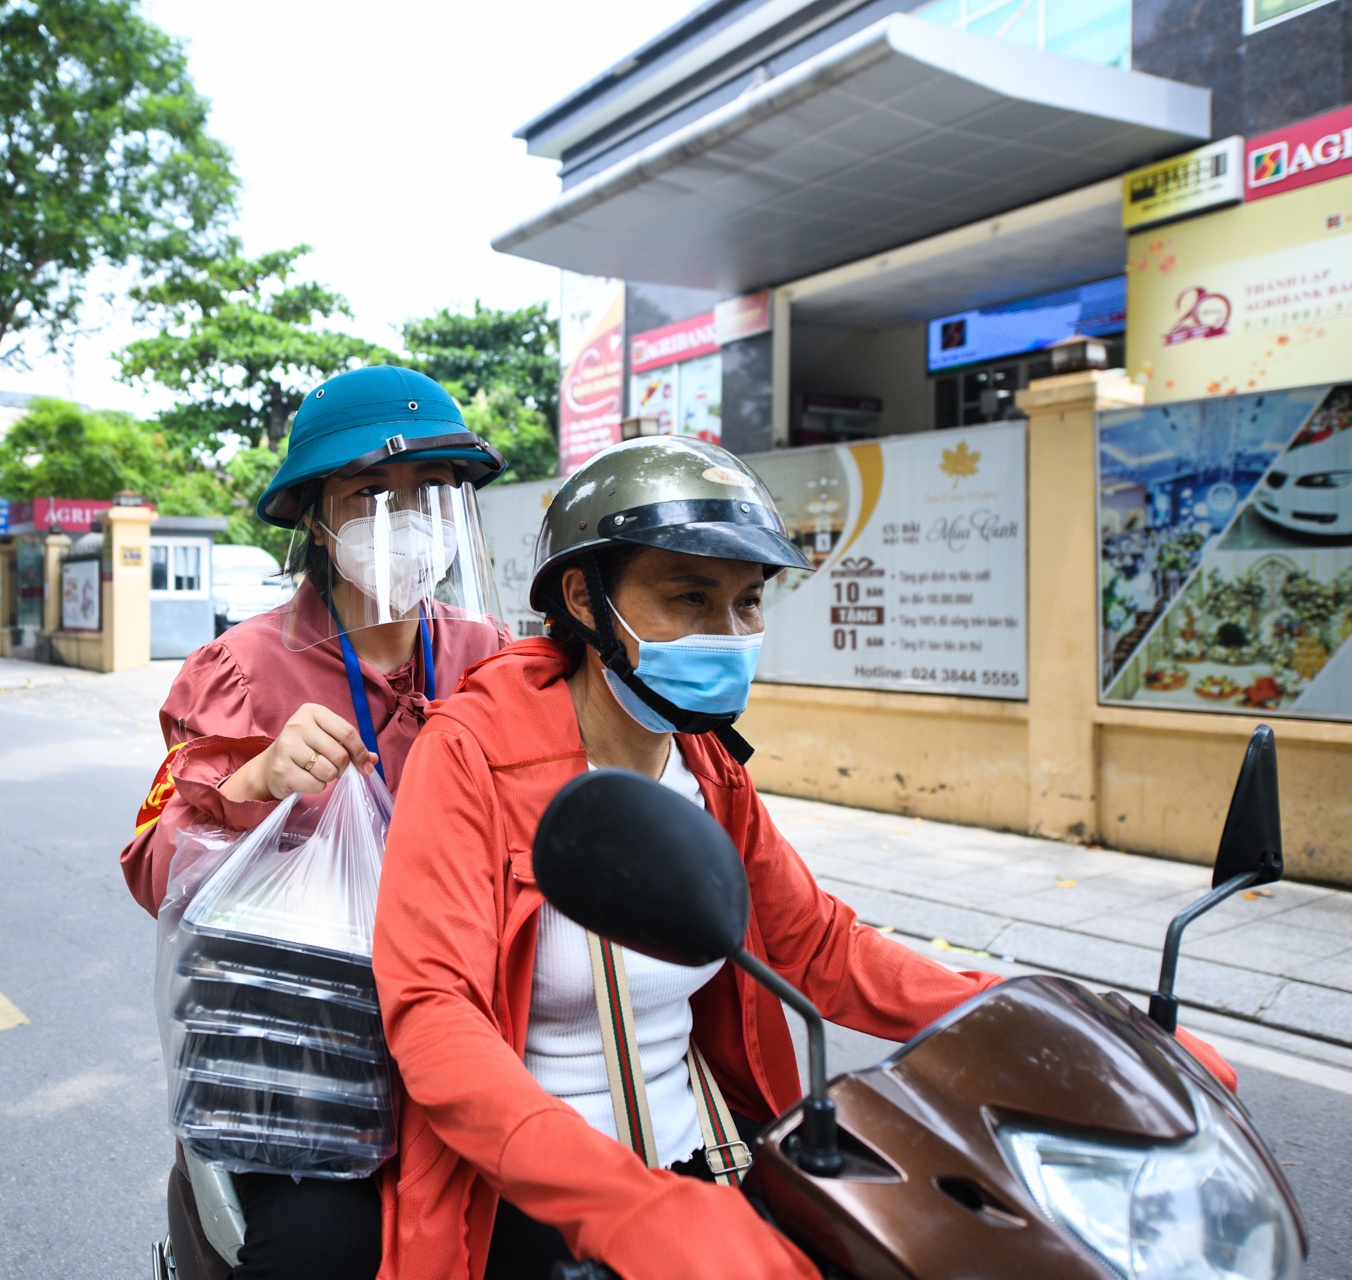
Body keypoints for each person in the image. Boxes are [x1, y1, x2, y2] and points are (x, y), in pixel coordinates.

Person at [370, 436, 1239, 1280]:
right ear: (587, 599)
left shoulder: (705, 763)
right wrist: (624, 1206)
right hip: (530, 1195)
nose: (728, 630)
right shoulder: (471, 751)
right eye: (689, 597)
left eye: (747, 602)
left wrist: (1074, 1031)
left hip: (710, 1157)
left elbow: (821, 948)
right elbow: (434, 1017)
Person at [121, 365, 511, 1280]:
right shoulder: (240, 669)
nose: (402, 519)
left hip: (480, 1038)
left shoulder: (489, 655)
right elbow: (152, 861)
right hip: (315, 1058)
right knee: (317, 1254)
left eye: (428, 494)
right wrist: (254, 780)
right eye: (370, 493)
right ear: (317, 517)